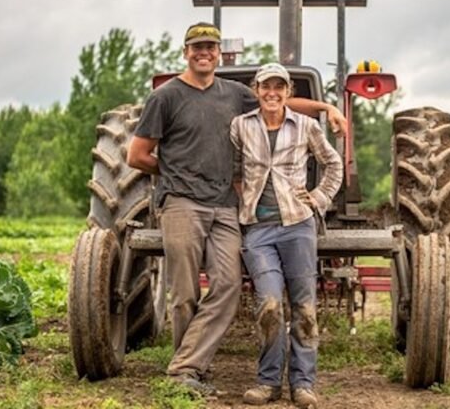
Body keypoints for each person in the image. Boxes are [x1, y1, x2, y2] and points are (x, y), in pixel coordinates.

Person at [127, 22, 347, 397]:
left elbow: (278, 106)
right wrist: (174, 172)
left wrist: (327, 107)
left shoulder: (233, 94)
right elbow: (137, 156)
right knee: (183, 293)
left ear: (217, 53)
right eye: (197, 47)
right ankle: (190, 372)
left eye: (210, 47)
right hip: (182, 203)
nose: (205, 52)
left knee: (227, 286)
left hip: (228, 206)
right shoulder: (165, 97)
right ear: (186, 52)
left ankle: (186, 367)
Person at [230, 62, 342, 408]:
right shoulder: (240, 126)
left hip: (298, 226)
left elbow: (333, 164)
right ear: (257, 90)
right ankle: (268, 382)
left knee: (305, 307)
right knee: (269, 303)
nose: (272, 93)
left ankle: (303, 384)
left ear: (288, 91)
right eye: (266, 86)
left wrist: (319, 199)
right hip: (258, 229)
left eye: (279, 87)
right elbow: (228, 165)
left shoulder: (306, 126)